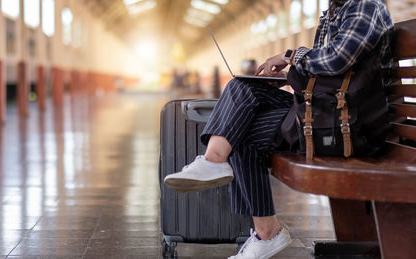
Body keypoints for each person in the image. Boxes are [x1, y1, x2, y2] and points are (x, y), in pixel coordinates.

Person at [164, 0, 394, 258]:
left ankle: (265, 230)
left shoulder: (366, 6)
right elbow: (328, 74)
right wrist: (284, 78)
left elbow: (337, 59)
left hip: (350, 124)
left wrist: (289, 56)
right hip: (326, 111)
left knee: (240, 131)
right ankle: (216, 161)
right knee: (241, 88)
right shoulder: (334, 10)